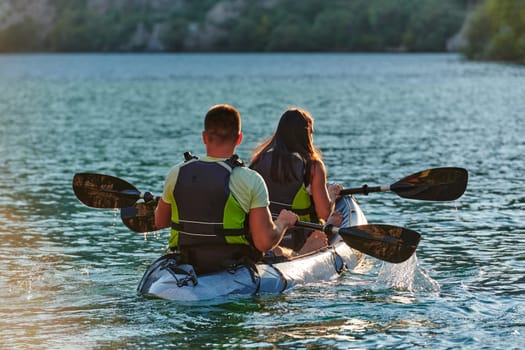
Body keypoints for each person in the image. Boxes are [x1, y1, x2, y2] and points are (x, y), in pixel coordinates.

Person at [154, 104, 298, 274]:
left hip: (185, 262)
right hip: (233, 266)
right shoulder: (250, 180)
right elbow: (264, 242)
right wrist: (283, 223)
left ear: (204, 137)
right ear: (239, 138)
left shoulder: (176, 173)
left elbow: (160, 222)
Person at [250, 107, 343, 256]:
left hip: (264, 234)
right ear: (306, 134)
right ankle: (309, 245)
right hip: (297, 236)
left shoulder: (258, 160)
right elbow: (324, 212)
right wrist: (331, 194)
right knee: (326, 218)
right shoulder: (312, 166)